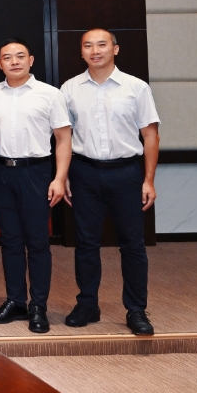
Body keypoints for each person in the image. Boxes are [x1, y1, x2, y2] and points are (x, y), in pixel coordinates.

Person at [60, 29, 160, 336]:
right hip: (84, 172)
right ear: (81, 52)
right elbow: (63, 137)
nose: (95, 51)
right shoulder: (69, 89)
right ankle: (87, 304)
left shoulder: (136, 87)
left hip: (126, 173)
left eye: (102, 45)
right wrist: (64, 176)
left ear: (115, 49)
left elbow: (150, 135)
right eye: (88, 46)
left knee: (132, 244)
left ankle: (136, 309)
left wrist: (148, 180)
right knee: (85, 243)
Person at [0, 38, 72, 334]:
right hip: (2, 172)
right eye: (7, 57)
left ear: (31, 60)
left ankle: (38, 306)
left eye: (20, 56)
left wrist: (59, 178)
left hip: (36, 172)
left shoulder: (50, 94)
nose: (15, 62)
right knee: (10, 240)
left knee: (37, 241)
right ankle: (15, 301)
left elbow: (63, 139)